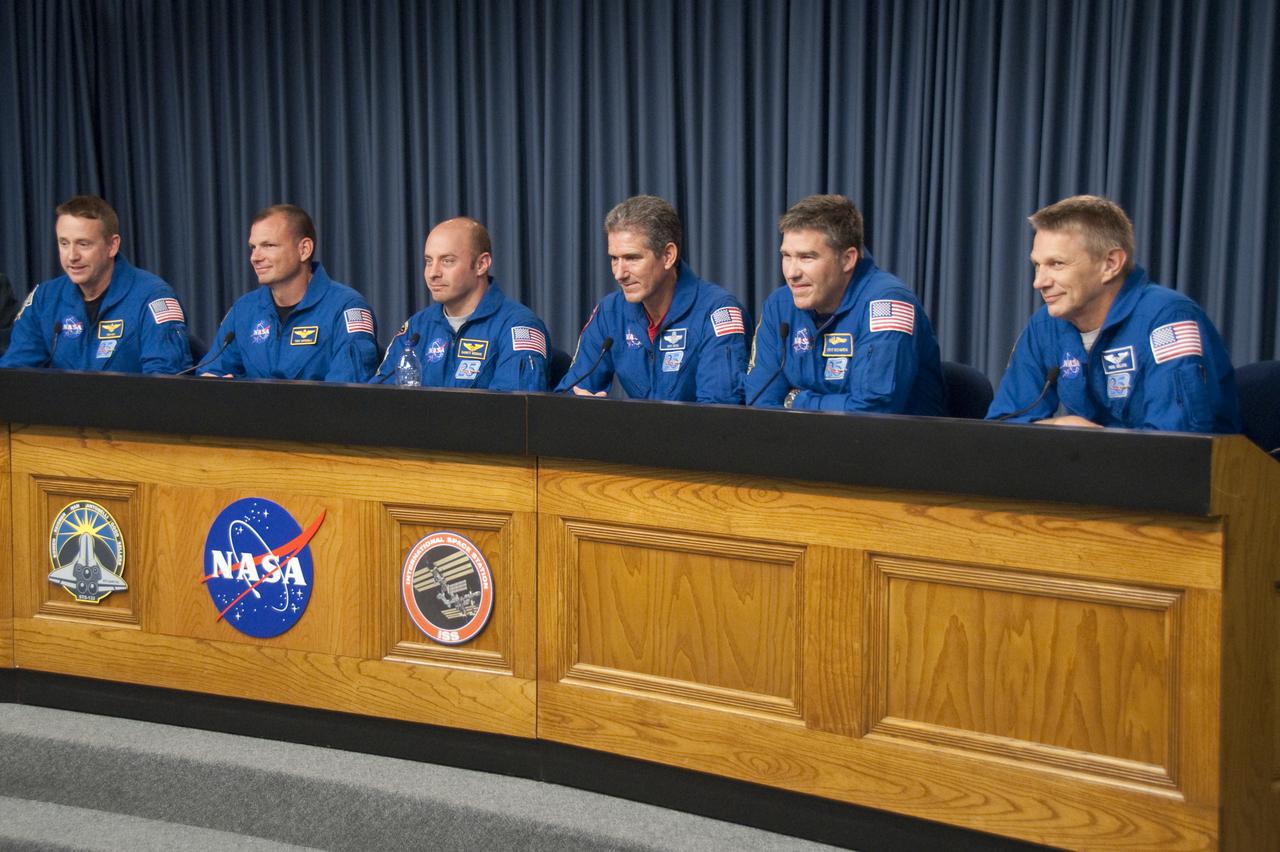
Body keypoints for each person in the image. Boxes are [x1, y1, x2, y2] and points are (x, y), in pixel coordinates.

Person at [987, 195, 1240, 431]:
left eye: (1057, 264)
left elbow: (1178, 442)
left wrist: (1093, 442)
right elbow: (1003, 428)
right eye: (1037, 265)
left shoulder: (1169, 318)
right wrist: (1058, 429)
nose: (1039, 282)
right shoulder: (1045, 325)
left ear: (1110, 264)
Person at [745, 194, 944, 413]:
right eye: (786, 256)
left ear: (848, 259)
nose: (792, 273)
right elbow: (760, 405)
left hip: (893, 444)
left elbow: (873, 412)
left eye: (806, 258)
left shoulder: (888, 304)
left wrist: (796, 400)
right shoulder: (779, 305)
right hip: (801, 443)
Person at [555, 195, 748, 403]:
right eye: (614, 259)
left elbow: (719, 414)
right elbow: (569, 394)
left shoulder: (717, 311)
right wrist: (574, 408)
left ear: (668, 256)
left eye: (632, 258)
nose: (619, 274)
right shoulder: (610, 312)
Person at [0, 195, 192, 373]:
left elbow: (166, 382)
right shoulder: (45, 298)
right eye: (64, 243)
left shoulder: (153, 297)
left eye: (84, 244)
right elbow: (15, 373)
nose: (72, 256)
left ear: (112, 245)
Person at [201, 204, 378, 382]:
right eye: (253, 247)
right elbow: (214, 372)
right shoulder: (244, 310)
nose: (255, 257)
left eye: (268, 245)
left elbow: (349, 392)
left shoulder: (345, 308)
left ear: (304, 250)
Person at [371, 217, 550, 390]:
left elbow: (515, 411)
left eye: (447, 261)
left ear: (481, 264)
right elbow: (378, 399)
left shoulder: (518, 327)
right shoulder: (417, 327)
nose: (433, 273)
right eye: (428, 261)